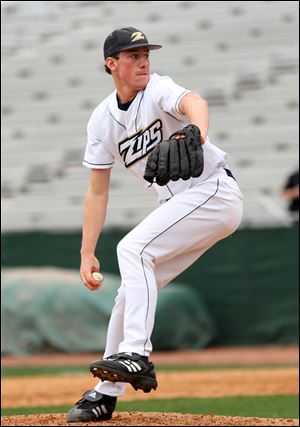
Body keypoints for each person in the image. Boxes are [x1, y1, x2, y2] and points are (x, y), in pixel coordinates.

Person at [67, 27, 243, 423]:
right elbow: (97, 190)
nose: (143, 60)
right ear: (111, 64)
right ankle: (104, 394)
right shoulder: (101, 121)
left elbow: (193, 101)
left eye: (145, 52)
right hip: (181, 206)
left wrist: (195, 131)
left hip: (213, 192)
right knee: (129, 292)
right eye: (132, 55)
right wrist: (86, 252)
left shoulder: (158, 89)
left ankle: (137, 355)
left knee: (132, 249)